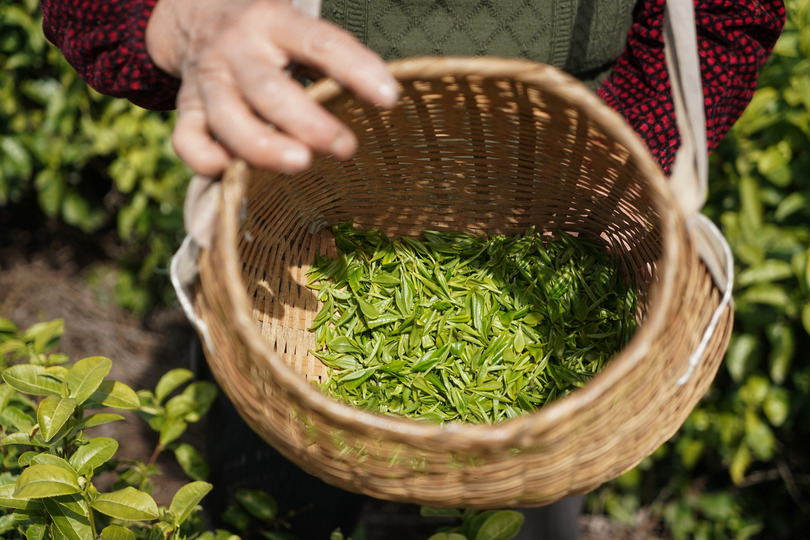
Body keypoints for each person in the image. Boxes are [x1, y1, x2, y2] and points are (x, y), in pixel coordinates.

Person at [39, 1, 786, 538]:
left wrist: (615, 155)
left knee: (535, 486)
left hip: (563, 192)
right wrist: (182, 22)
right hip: (310, 203)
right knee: (272, 499)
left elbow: (725, 16)